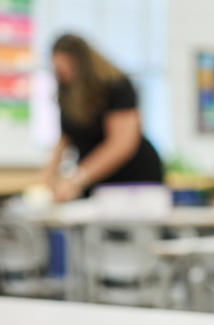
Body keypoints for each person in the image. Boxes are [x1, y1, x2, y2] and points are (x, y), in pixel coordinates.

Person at [40, 34, 164, 202]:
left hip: (131, 177)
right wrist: (44, 181)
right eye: (59, 70)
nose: (64, 74)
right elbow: (66, 136)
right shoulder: (67, 91)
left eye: (67, 67)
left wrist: (77, 178)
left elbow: (122, 145)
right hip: (93, 178)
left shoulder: (116, 86)